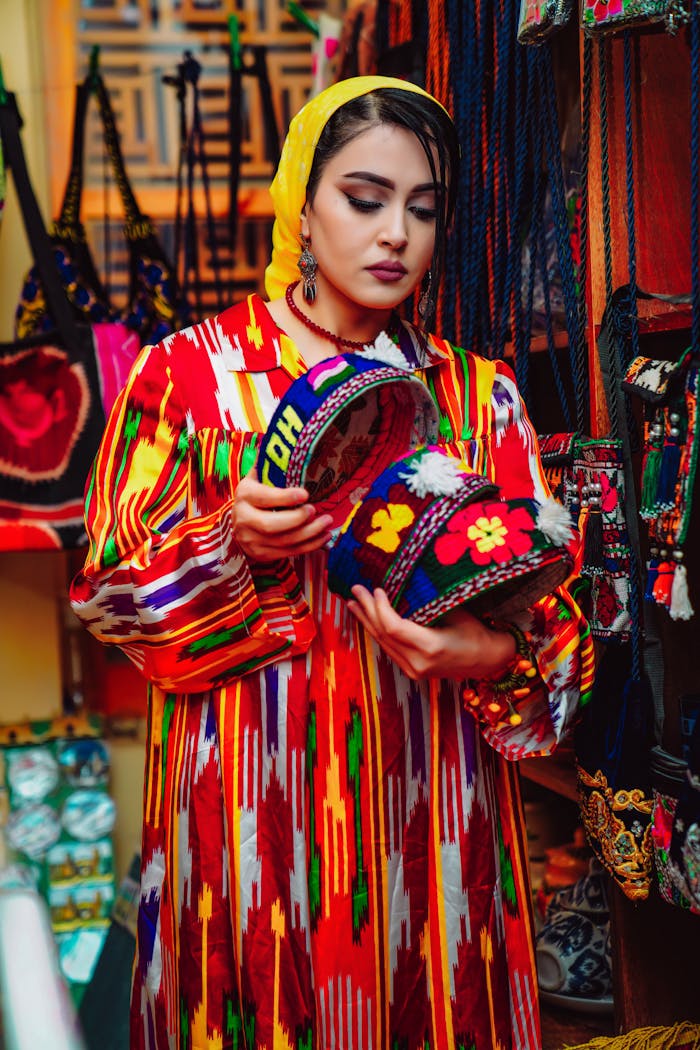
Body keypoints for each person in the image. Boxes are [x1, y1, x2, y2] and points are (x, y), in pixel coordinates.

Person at [70, 76, 593, 1050]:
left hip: (433, 842)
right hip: (244, 849)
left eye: (423, 208)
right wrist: (229, 546)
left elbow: (560, 652)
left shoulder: (482, 399)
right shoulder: (187, 377)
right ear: (302, 212)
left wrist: (481, 657)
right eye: (364, 198)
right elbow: (108, 602)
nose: (395, 232)